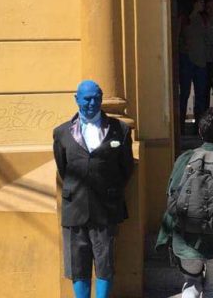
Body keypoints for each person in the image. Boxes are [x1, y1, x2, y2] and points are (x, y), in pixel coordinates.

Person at [53, 80, 134, 298]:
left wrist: (109, 188)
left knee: (105, 261)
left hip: (106, 208)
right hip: (75, 208)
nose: (92, 103)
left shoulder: (120, 130)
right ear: (76, 99)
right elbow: (63, 168)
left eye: (97, 98)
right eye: (87, 98)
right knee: (77, 264)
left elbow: (126, 168)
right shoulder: (61, 133)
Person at [156, 107, 213, 298]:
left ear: (199, 131)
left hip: (185, 237)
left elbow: (171, 192)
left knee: (191, 282)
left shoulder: (184, 158)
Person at [179, 0, 213, 131]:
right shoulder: (184, 19)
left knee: (201, 95)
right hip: (187, 60)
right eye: (200, 2)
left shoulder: (204, 19)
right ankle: (180, 126)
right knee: (184, 93)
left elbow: (209, 38)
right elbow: (177, 37)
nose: (202, 4)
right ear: (194, 3)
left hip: (201, 61)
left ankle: (199, 128)